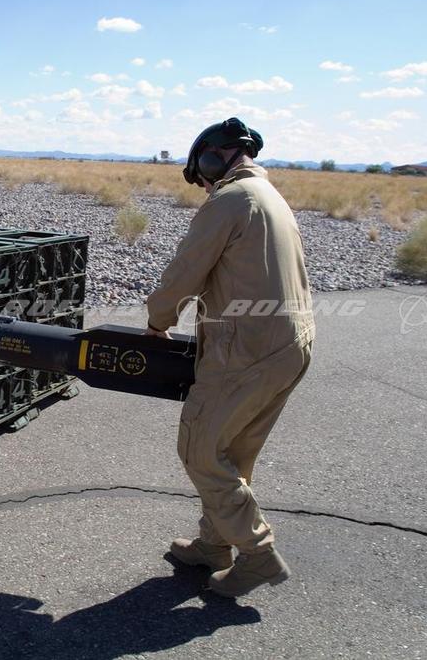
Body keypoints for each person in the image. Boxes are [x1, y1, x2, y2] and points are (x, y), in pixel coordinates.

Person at [145, 117, 315, 596]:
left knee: (200, 451)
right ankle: (213, 545)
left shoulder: (231, 199)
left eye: (201, 177)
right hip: (287, 346)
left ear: (211, 159)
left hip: (246, 351)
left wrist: (158, 321)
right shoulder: (269, 196)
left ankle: (258, 554)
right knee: (232, 454)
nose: (203, 187)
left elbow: (185, 272)